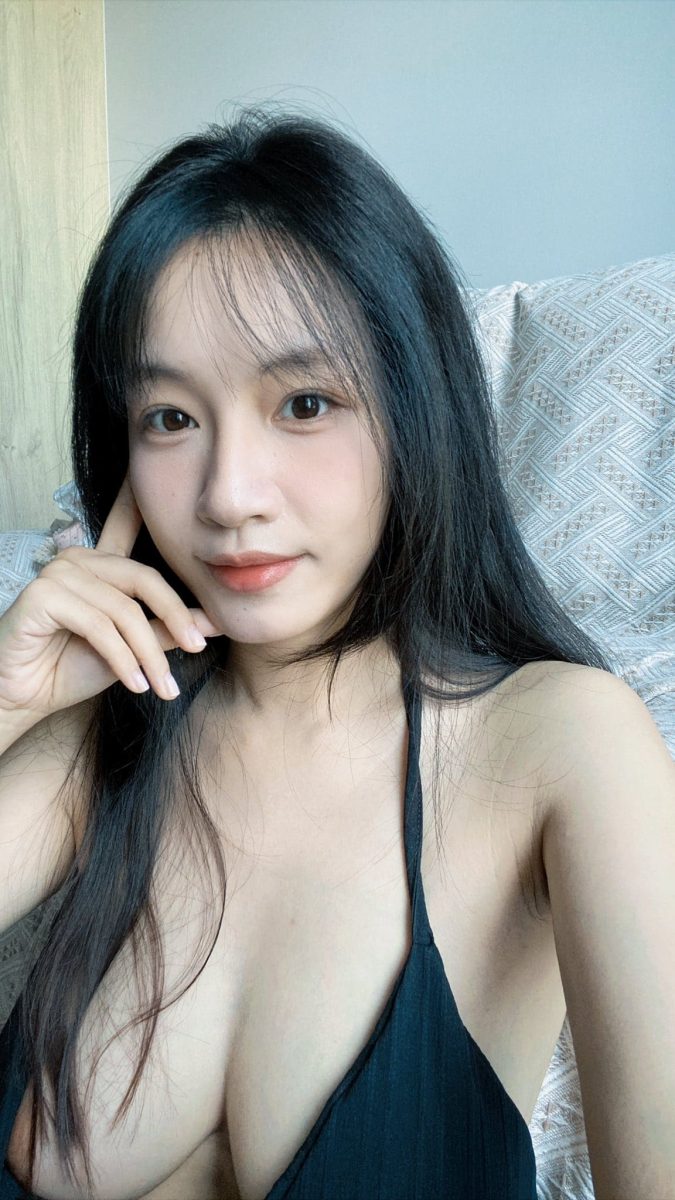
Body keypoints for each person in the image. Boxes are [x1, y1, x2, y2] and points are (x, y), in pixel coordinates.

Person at [0, 104, 673, 1200]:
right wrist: (7, 697)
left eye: (303, 403)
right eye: (169, 418)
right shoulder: (108, 731)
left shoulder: (560, 744)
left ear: (415, 413)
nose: (228, 495)